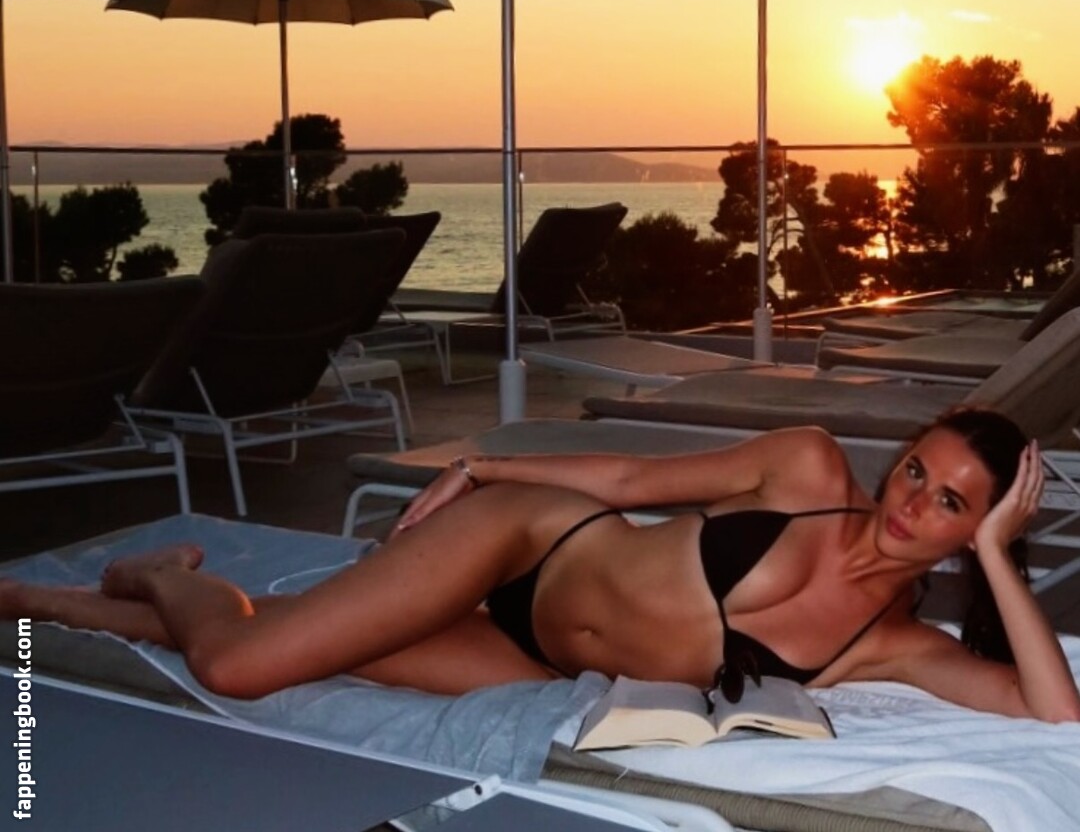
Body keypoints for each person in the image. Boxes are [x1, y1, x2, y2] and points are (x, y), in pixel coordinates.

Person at [3, 407, 1078, 719]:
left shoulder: (889, 644)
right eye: (915, 470)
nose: (911, 502)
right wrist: (479, 467)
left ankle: (69, 600)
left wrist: (997, 556)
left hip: (542, 665)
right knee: (240, 668)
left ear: (976, 531)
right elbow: (627, 477)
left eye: (952, 505)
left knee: (288, 648)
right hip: (528, 542)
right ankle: (157, 574)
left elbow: (1054, 710)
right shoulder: (805, 466)